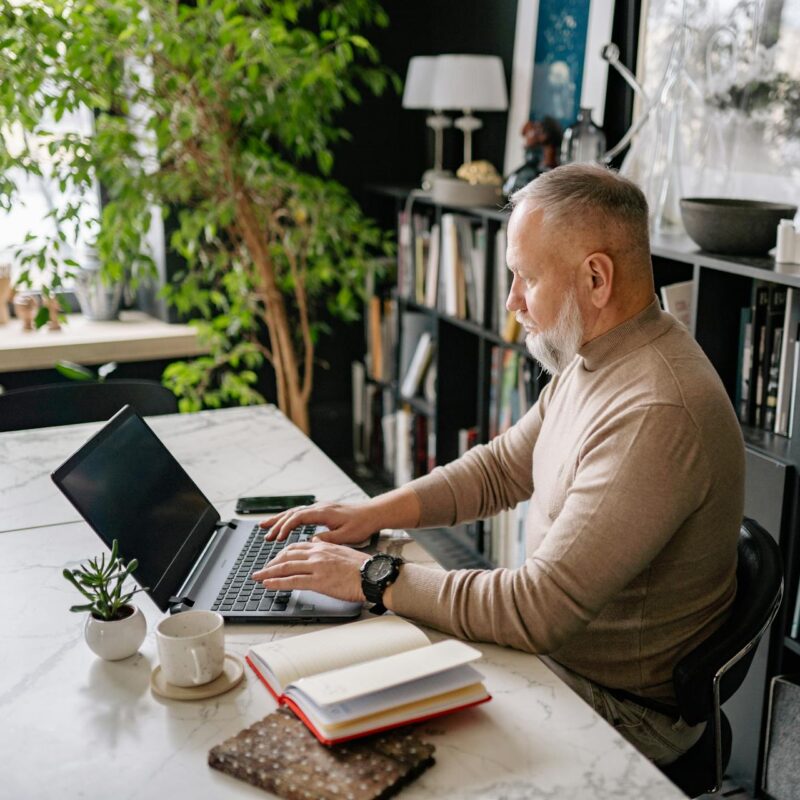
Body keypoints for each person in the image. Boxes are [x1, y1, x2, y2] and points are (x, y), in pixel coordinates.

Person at [252, 164, 745, 766]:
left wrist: (370, 576)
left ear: (596, 277)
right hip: (558, 659)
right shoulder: (598, 356)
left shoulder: (655, 408)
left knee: (365, 736)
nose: (511, 302)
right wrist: (370, 513)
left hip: (623, 713)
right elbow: (501, 470)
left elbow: (535, 610)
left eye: (525, 279)